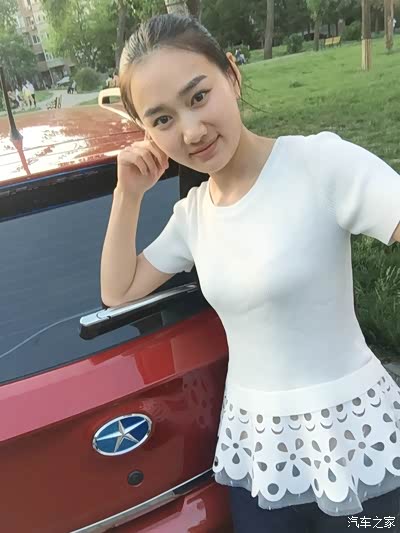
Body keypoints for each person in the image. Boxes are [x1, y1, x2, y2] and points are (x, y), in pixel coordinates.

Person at [100, 14, 400, 532]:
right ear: (147, 133)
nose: (192, 131)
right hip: (261, 458)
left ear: (232, 76)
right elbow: (118, 291)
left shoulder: (319, 164)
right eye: (163, 119)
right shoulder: (193, 217)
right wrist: (127, 194)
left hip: (355, 446)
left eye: (198, 97)